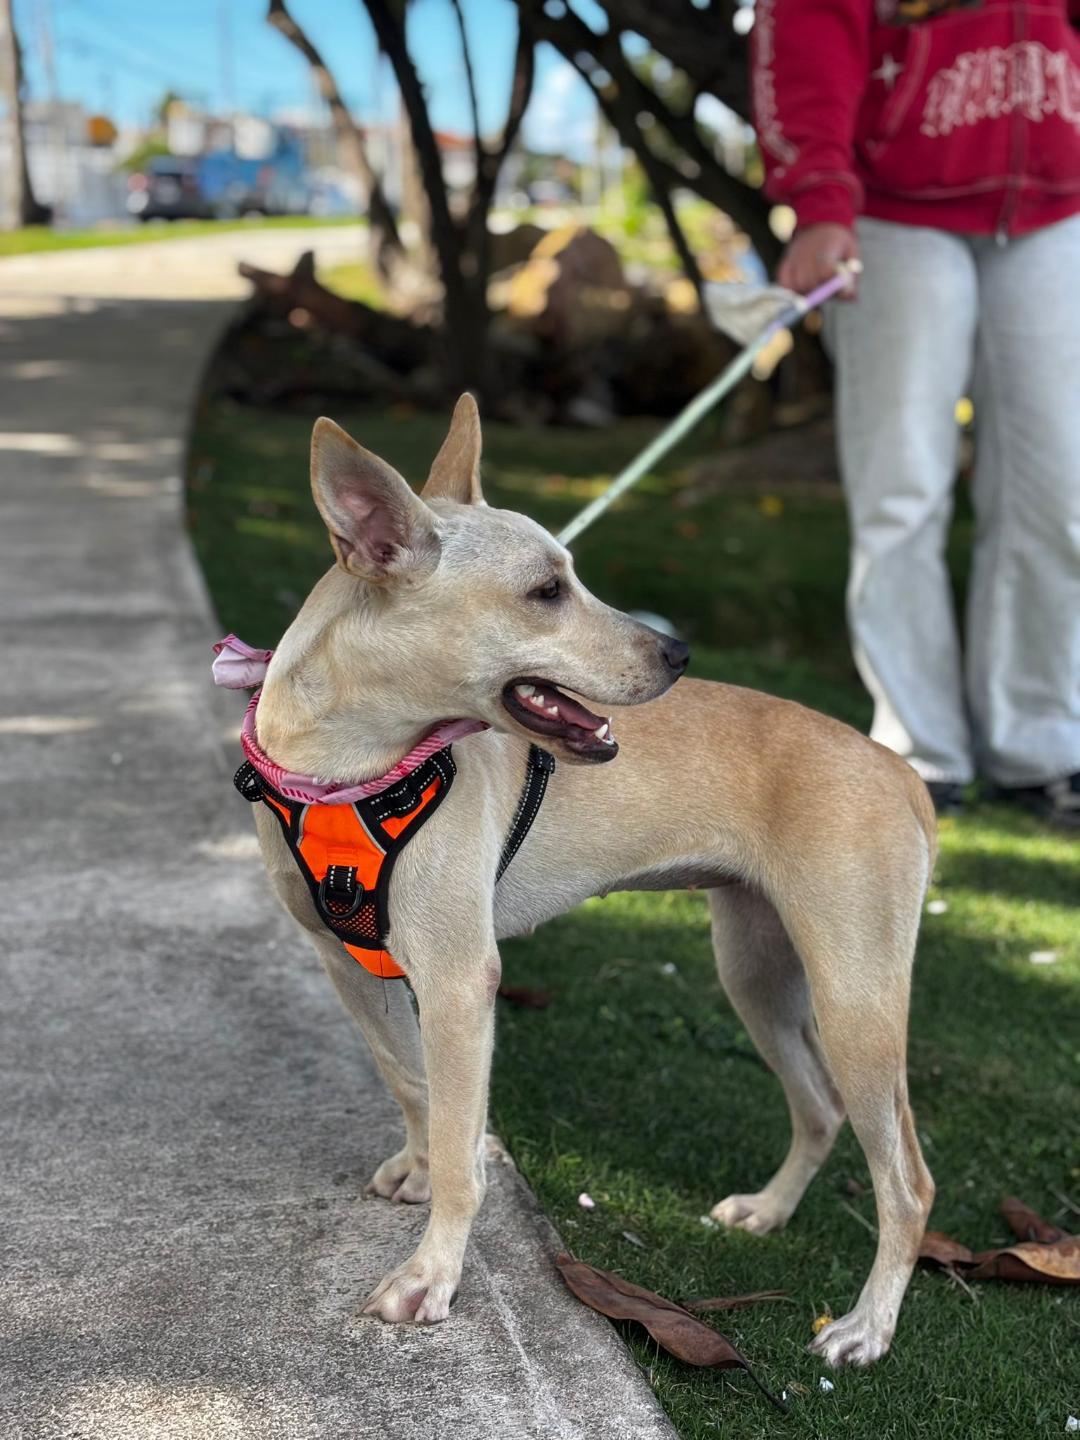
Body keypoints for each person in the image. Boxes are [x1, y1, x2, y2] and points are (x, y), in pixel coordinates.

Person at [752, 0, 1080, 824]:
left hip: (1056, 201)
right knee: (901, 485)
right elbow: (805, 27)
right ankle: (918, 751)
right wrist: (820, 199)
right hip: (891, 209)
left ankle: (1038, 746)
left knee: (1061, 493)